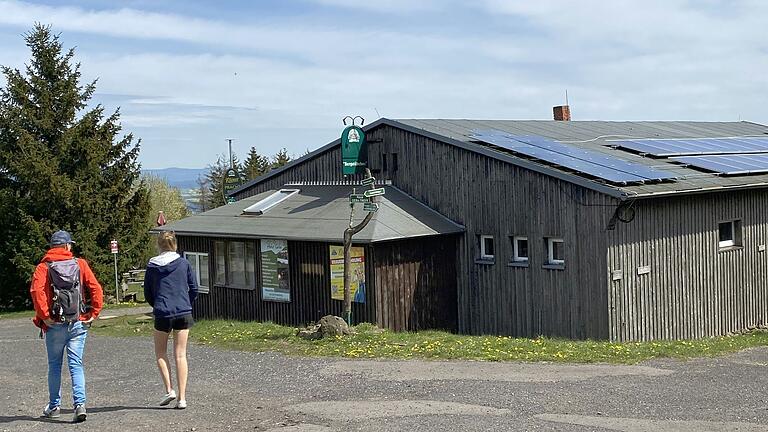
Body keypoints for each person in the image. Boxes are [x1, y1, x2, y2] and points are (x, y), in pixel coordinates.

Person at [30, 230, 103, 423]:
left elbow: (37, 292)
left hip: (54, 324)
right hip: (77, 321)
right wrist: (93, 313)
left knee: (54, 365)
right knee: (75, 364)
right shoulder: (80, 264)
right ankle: (80, 405)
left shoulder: (43, 267)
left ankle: (54, 406)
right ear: (67, 246)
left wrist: (45, 317)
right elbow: (95, 288)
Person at [144, 231, 198, 409]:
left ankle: (169, 390)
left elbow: (148, 293)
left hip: (162, 313)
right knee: (180, 354)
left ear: (159, 245)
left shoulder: (152, 266)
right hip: (183, 311)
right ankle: (182, 398)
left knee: (160, 352)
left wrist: (157, 305)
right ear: (175, 244)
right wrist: (186, 303)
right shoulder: (184, 263)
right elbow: (194, 288)